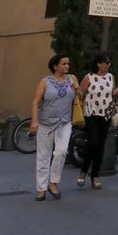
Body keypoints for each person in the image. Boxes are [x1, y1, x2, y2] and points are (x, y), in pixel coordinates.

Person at [30, 54, 78, 201]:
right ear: (55, 66)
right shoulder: (45, 82)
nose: (66, 66)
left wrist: (78, 90)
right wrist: (34, 121)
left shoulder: (72, 79)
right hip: (45, 123)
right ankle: (41, 189)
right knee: (43, 156)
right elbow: (36, 101)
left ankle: (53, 183)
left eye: (67, 64)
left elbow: (80, 98)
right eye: (63, 64)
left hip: (64, 123)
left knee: (61, 152)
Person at [77, 52, 118, 190]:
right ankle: (83, 171)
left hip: (106, 115)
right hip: (91, 115)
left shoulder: (110, 77)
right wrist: (76, 91)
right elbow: (80, 95)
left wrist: (115, 93)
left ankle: (95, 176)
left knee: (100, 145)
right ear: (98, 63)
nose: (108, 65)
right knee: (93, 143)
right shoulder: (89, 77)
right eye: (106, 62)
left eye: (110, 63)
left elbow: (111, 93)